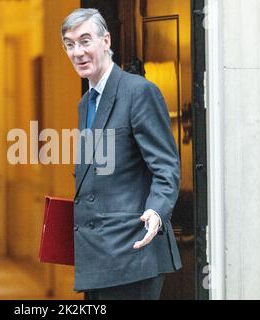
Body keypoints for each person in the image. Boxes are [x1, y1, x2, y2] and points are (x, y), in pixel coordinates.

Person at [61, 8, 182, 300]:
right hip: (97, 256)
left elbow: (166, 167)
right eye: (69, 44)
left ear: (106, 41)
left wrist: (156, 211)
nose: (77, 51)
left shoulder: (138, 92)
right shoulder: (84, 104)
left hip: (133, 252)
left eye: (85, 40)